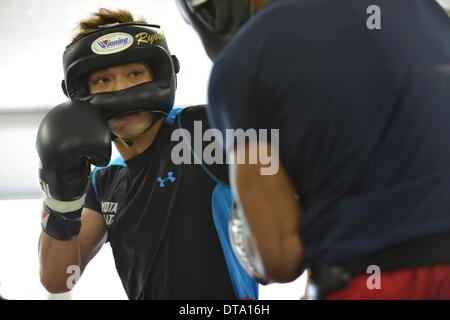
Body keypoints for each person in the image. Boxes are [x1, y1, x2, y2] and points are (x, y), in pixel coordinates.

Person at [177, 0, 450, 299]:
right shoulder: (427, 11)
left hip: (375, 280)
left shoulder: (242, 62)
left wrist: (251, 230)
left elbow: (279, 257)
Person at [36, 8, 257, 300]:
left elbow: (299, 166)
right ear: (79, 93)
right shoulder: (104, 180)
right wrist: (60, 198)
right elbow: (58, 279)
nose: (122, 90)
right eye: (103, 80)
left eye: (135, 74)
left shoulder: (200, 131)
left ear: (162, 74)